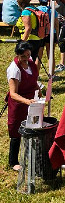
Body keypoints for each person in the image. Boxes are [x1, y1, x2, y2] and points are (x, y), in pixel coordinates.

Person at [6, 41, 40, 170]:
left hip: (31, 101)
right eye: (23, 57)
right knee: (16, 131)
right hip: (19, 104)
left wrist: (38, 88)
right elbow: (13, 94)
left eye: (28, 55)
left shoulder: (30, 62)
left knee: (33, 128)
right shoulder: (14, 70)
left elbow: (33, 79)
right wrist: (27, 101)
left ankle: (31, 156)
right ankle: (13, 161)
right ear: (18, 55)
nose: (26, 59)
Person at [15, 0, 45, 71]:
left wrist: (22, 42)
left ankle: (26, 79)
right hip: (37, 39)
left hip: (29, 40)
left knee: (24, 62)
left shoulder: (26, 12)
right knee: (32, 61)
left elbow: (28, 28)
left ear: (20, 2)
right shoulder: (34, 9)